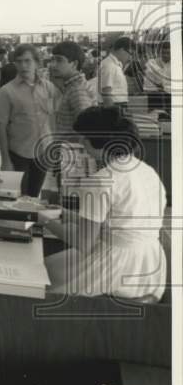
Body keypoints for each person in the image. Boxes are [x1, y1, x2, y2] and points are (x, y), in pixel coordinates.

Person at [42, 107, 167, 303]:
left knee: (44, 277)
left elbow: (84, 243)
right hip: (149, 265)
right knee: (52, 267)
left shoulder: (101, 180)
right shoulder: (146, 170)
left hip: (117, 268)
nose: (81, 143)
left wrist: (44, 220)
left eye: (84, 137)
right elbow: (122, 222)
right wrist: (67, 214)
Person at [0, 44, 57, 197]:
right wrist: (5, 160)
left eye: (28, 61)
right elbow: (0, 127)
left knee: (35, 195)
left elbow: (52, 118)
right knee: (19, 196)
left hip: (42, 152)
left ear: (36, 62)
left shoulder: (48, 87)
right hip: (18, 153)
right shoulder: (6, 91)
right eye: (19, 61)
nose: (23, 65)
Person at [48, 41, 96, 139]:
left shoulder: (77, 90)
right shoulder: (72, 86)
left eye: (59, 60)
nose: (53, 65)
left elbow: (86, 128)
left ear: (74, 64)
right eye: (52, 60)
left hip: (72, 150)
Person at [98, 36, 133, 109]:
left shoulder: (116, 65)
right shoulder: (109, 65)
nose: (130, 57)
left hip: (118, 105)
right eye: (130, 53)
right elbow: (106, 92)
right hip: (114, 106)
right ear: (122, 50)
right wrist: (112, 113)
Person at [142, 40, 171, 112]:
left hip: (171, 96)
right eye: (163, 53)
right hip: (154, 96)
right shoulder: (152, 63)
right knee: (153, 118)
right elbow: (151, 82)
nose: (165, 55)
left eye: (168, 53)